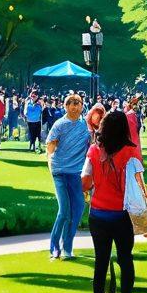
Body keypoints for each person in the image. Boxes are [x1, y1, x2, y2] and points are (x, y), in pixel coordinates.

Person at [82, 110, 147, 293]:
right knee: (125, 258)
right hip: (122, 215)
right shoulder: (130, 153)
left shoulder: (94, 150)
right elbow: (140, 184)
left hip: (98, 213)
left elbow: (85, 181)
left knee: (100, 261)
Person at [46, 92, 90, 261]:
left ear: (81, 106)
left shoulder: (84, 125)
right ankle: (54, 248)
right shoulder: (59, 125)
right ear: (65, 106)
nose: (74, 105)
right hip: (60, 172)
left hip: (76, 174)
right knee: (64, 210)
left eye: (77, 102)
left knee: (78, 210)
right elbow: (49, 149)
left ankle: (68, 248)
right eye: (70, 102)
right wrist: (51, 167)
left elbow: (92, 145)